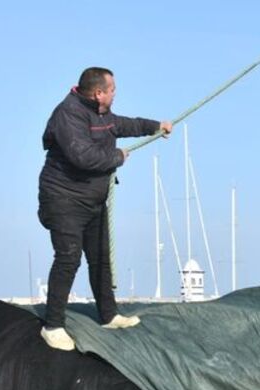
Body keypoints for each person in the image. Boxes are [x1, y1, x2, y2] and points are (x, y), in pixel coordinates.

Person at [38, 67, 172, 351]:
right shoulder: (68, 114)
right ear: (99, 93)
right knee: (68, 258)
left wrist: (156, 126)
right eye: (112, 90)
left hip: (93, 200)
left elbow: (123, 125)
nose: (115, 94)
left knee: (100, 258)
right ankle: (53, 326)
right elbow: (83, 156)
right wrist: (117, 157)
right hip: (63, 199)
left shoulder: (102, 114)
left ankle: (109, 315)